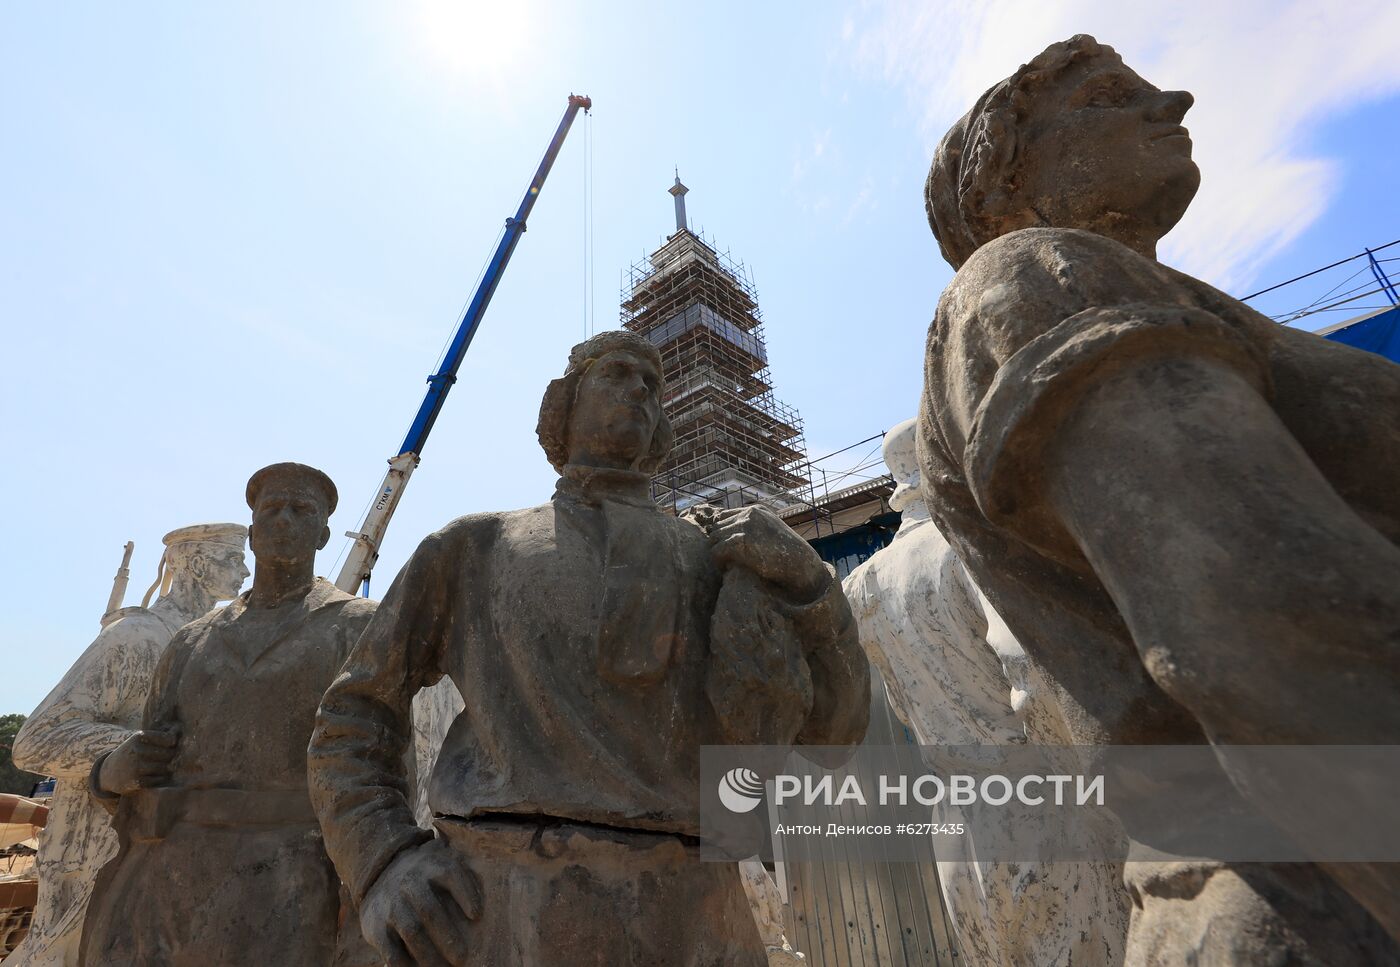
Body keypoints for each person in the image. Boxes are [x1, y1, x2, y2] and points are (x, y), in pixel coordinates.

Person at [917, 34, 1400, 963]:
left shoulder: (1159, 293)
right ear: (1002, 184)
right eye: (1106, 96)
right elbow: (1270, 613)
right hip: (1320, 886)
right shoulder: (1030, 274)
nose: (1171, 100)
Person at [309, 330, 870, 966]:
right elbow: (354, 713)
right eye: (618, 373)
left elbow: (833, 737)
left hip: (697, 913)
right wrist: (382, 859)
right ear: (565, 405)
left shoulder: (724, 562)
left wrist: (813, 589)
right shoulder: (474, 548)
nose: (639, 389)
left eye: (653, 386)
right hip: (503, 908)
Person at [845, 419, 1129, 966]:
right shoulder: (974, 546)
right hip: (1040, 808)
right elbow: (1030, 676)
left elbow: (902, 705)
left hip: (953, 819)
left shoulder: (862, 585)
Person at [79, 464, 377, 966]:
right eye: (271, 509)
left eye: (302, 510)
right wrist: (109, 774)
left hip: (292, 893)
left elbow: (384, 778)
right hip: (167, 894)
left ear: (324, 534)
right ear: (253, 530)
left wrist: (364, 918)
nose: (284, 519)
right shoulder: (193, 640)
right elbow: (143, 779)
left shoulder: (359, 627)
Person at [11, 523, 248, 967]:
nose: (246, 571)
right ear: (196, 563)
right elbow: (35, 741)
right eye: (232, 559)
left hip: (165, 858)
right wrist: (129, 750)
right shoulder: (136, 637)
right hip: (93, 858)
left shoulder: (211, 645)